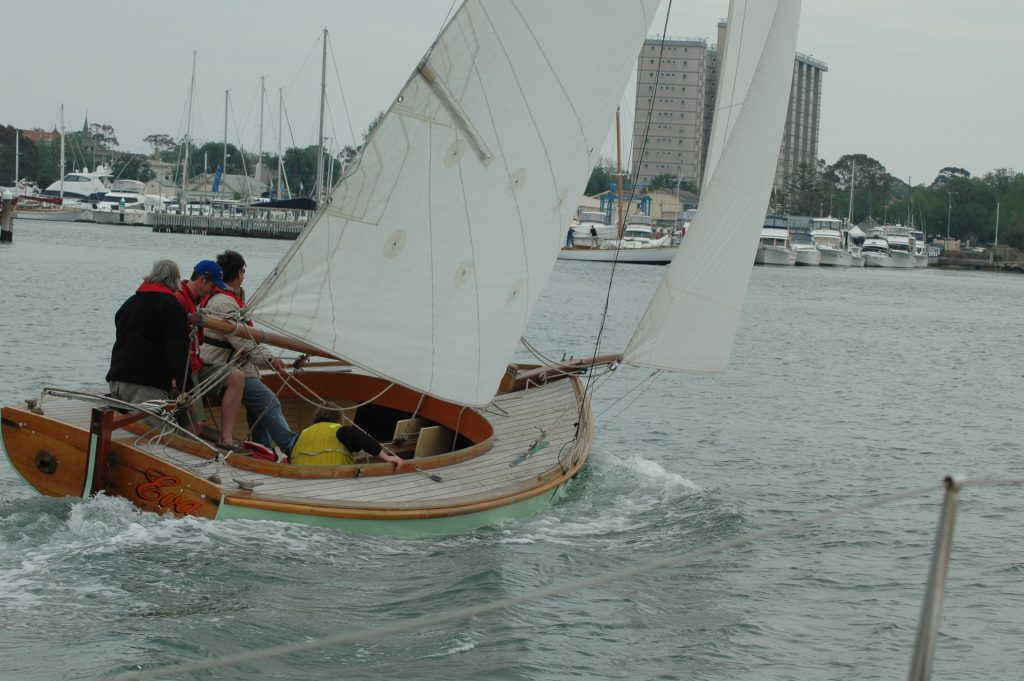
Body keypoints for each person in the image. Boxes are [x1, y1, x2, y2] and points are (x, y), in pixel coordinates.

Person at [198, 250, 298, 455]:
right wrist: (270, 359)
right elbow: (245, 341)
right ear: (239, 274)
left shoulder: (225, 298)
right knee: (268, 402)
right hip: (223, 368)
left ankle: (264, 450)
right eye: (243, 271)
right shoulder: (224, 303)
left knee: (258, 411)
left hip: (235, 366)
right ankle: (292, 447)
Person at [175, 259, 245, 447]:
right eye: (213, 285)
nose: (213, 290)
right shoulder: (179, 301)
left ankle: (226, 439)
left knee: (237, 377)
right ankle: (183, 460)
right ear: (202, 279)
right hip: (185, 370)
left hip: (198, 364)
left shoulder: (195, 302)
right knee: (196, 425)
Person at [106, 259, 189, 409]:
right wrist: (187, 387)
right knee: (154, 432)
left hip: (117, 380)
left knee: (125, 430)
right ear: (175, 280)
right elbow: (177, 351)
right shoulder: (171, 307)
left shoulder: (130, 303)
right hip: (145, 386)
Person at [290, 403, 403, 467]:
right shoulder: (340, 430)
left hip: (302, 480)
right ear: (339, 419)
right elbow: (364, 439)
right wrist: (387, 457)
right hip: (331, 478)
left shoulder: (302, 434)